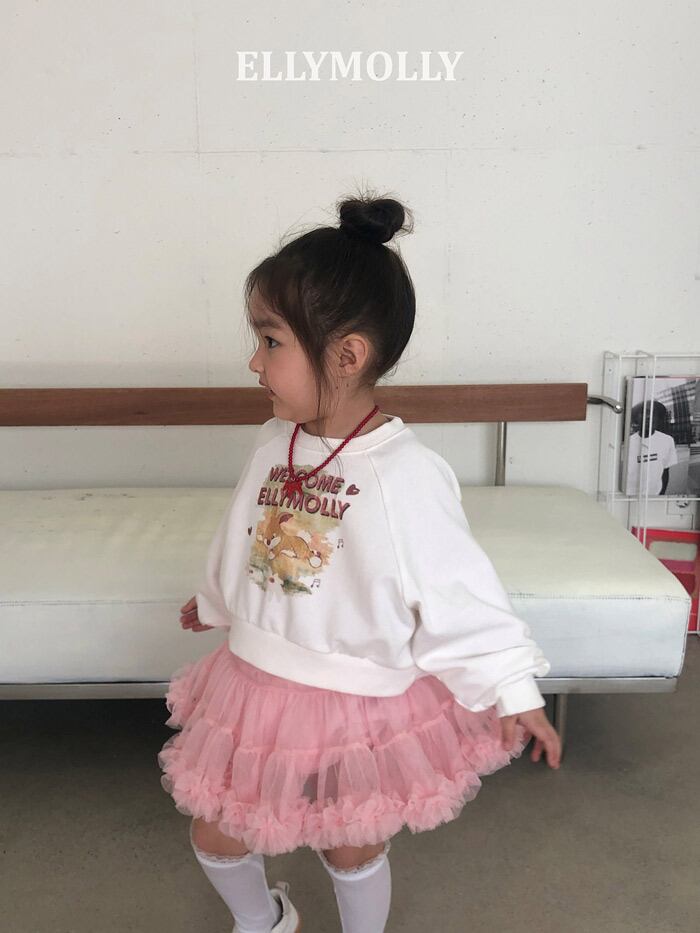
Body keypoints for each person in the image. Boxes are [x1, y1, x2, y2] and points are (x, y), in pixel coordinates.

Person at [157, 190, 562, 933]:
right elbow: (244, 533)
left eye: (271, 341)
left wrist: (512, 686)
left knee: (350, 842)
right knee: (217, 832)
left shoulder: (404, 474)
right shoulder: (273, 441)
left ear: (347, 354)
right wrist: (216, 599)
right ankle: (263, 920)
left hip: (355, 702)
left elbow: (458, 589)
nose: (253, 361)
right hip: (255, 685)